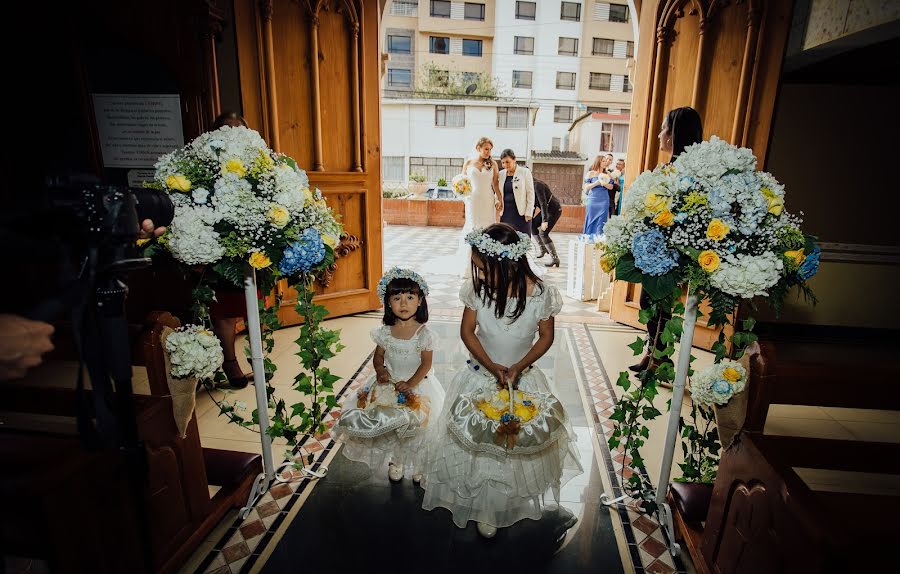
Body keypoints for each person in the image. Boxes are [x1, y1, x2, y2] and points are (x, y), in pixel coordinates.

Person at [421, 223, 583, 539]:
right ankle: (484, 504)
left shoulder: (542, 294)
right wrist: (491, 365)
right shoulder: (477, 292)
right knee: (479, 441)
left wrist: (520, 366)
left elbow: (546, 336)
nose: (479, 276)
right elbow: (467, 332)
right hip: (480, 375)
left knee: (514, 443)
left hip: (522, 380)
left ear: (506, 264)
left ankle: (504, 500)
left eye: (483, 269)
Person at [332, 268, 444, 482]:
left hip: (417, 385)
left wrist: (411, 383)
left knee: (418, 428)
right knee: (393, 427)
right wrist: (381, 371)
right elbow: (378, 357)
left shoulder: (424, 334)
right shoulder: (385, 332)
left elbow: (426, 364)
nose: (403, 304)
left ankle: (419, 463)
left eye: (410, 297)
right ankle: (397, 460)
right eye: (397, 298)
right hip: (389, 385)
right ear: (388, 303)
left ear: (420, 301)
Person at [630, 106, 703, 374]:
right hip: (654, 248)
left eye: (664, 128)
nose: (660, 134)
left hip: (669, 252)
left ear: (674, 135)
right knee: (650, 303)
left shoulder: (684, 173)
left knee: (658, 305)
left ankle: (659, 358)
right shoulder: (668, 168)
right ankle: (652, 354)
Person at [206, 111, 253, 388]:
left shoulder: (256, 164)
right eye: (226, 130)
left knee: (246, 306)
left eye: (238, 130)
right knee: (224, 310)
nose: (232, 135)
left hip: (248, 249)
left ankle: (256, 360)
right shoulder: (205, 166)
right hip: (218, 249)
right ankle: (229, 362)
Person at [422, 137, 501, 278]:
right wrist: (462, 192)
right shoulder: (468, 163)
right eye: (486, 149)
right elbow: (463, 182)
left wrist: (499, 199)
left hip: (487, 200)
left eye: (490, 149)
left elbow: (495, 184)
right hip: (472, 201)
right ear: (478, 148)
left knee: (487, 230)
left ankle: (486, 266)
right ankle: (468, 265)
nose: (488, 152)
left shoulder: (493, 164)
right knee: (472, 228)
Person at [497, 149, 535, 236]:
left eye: (507, 162)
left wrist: (529, 212)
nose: (505, 165)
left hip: (521, 214)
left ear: (514, 160)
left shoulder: (525, 172)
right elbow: (498, 192)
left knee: (523, 241)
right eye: (503, 163)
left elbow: (530, 193)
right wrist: (497, 201)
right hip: (506, 213)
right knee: (506, 240)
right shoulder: (501, 174)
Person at [532, 178, 563, 267]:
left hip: (554, 210)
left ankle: (555, 258)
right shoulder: (528, 186)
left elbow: (543, 203)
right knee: (533, 226)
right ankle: (543, 248)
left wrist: (544, 221)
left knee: (543, 233)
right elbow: (533, 205)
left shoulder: (537, 185)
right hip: (546, 210)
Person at [582, 155, 613, 239]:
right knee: (591, 220)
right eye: (603, 161)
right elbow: (586, 187)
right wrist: (597, 183)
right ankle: (588, 239)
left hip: (604, 200)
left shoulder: (608, 174)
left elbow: (611, 187)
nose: (605, 162)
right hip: (593, 200)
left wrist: (604, 183)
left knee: (601, 221)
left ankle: (598, 241)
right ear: (598, 162)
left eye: (605, 161)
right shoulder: (591, 173)